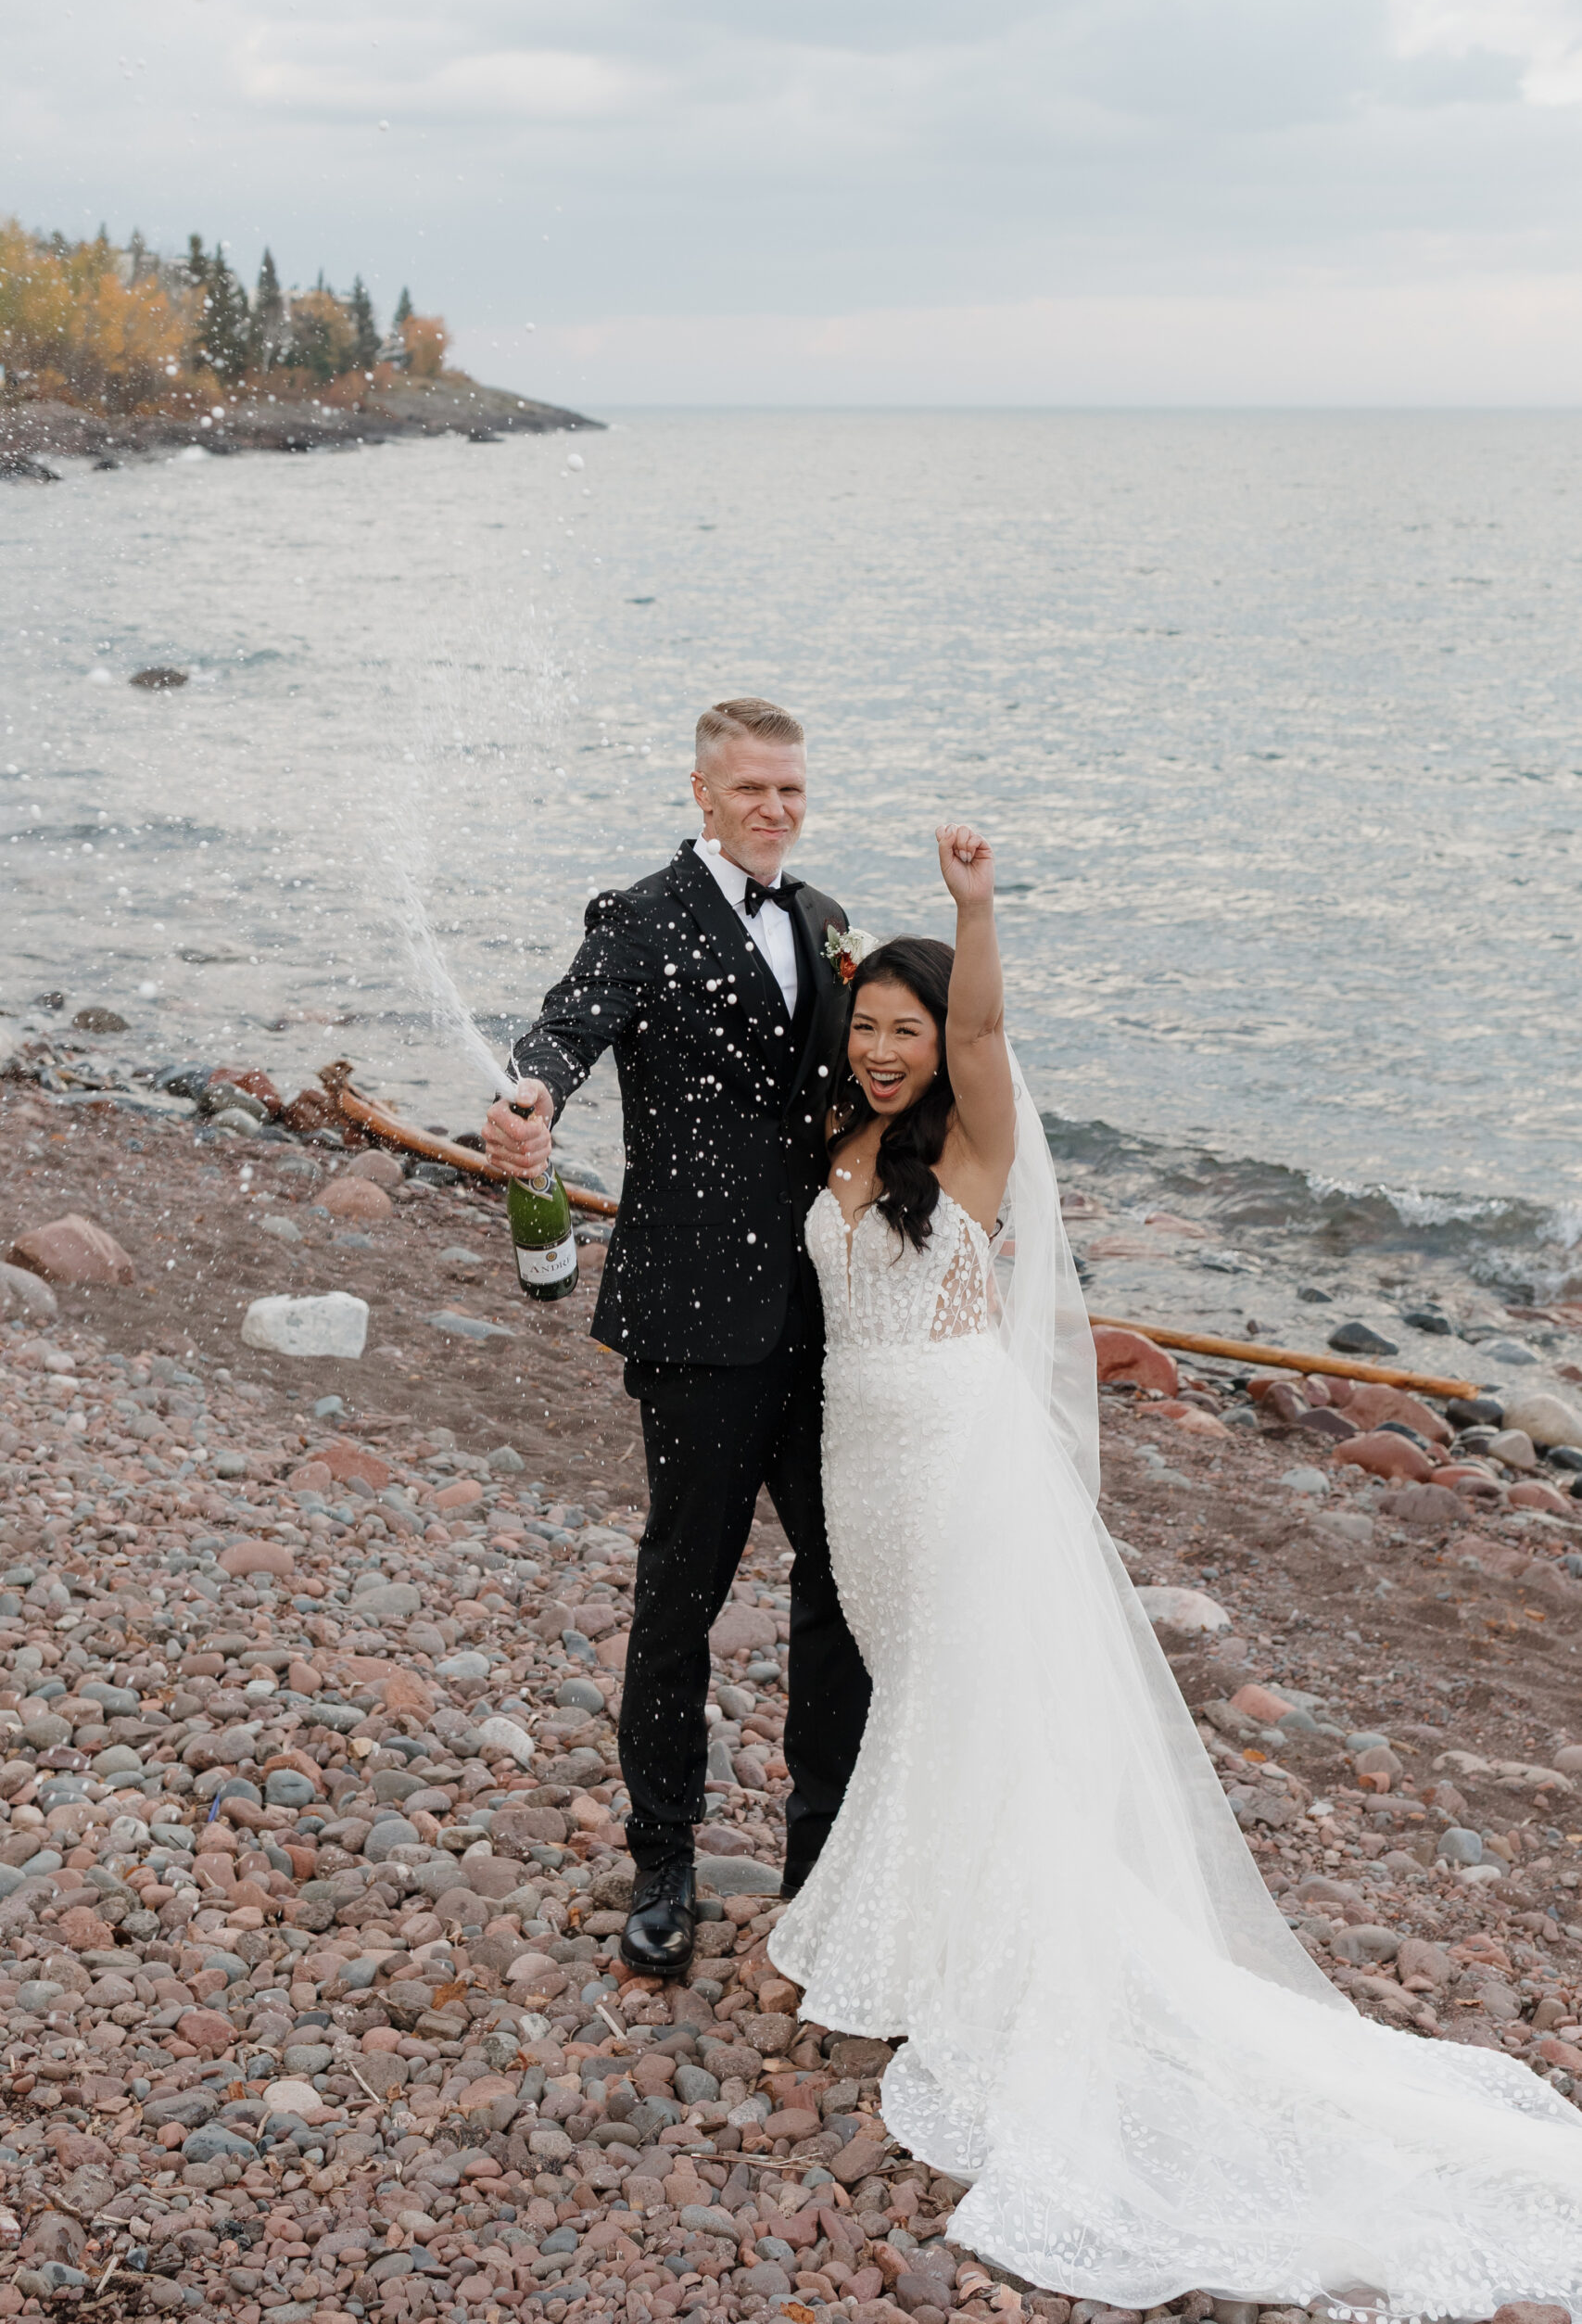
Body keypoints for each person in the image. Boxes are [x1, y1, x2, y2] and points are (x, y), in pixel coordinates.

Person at [768, 822, 1582, 2316]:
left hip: (955, 1454)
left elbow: (988, 1021)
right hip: (857, 1459)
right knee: (924, 1700)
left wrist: (972, 907)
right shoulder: (838, 1139)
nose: (888, 1052)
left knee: (965, 1696)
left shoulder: (973, 1142)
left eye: (909, 1031)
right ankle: (937, 1927)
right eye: (870, 1028)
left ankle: (995, 1962)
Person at [484, 696, 870, 1981]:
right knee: (682, 1588)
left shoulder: (823, 925)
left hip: (824, 1313)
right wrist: (528, 1102)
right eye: (752, 788)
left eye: (792, 791)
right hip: (697, 1316)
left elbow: (869, 1083)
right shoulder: (639, 920)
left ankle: (821, 1860)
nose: (774, 809)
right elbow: (562, 1035)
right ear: (700, 792)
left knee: (841, 1584)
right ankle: (665, 1859)